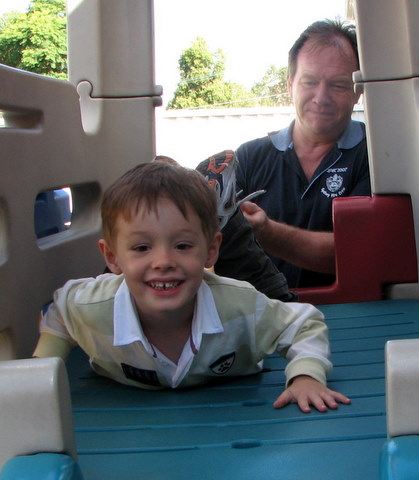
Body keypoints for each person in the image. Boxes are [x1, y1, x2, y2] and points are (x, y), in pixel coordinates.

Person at [33, 161, 350, 413]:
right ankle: (203, 203)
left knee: (258, 280)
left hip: (227, 292)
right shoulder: (90, 307)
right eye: (142, 247)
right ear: (111, 257)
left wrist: (306, 375)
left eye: (182, 245)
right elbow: (60, 311)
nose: (163, 261)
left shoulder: (240, 306)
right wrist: (41, 369)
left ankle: (227, 216)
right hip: (134, 290)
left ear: (211, 251)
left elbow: (303, 322)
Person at [231, 19, 370, 289]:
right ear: (290, 84)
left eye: (338, 85)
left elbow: (358, 251)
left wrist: (267, 232)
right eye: (309, 82)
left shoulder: (377, 156)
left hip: (349, 310)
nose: (321, 97)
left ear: (357, 92)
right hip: (260, 311)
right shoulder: (247, 158)